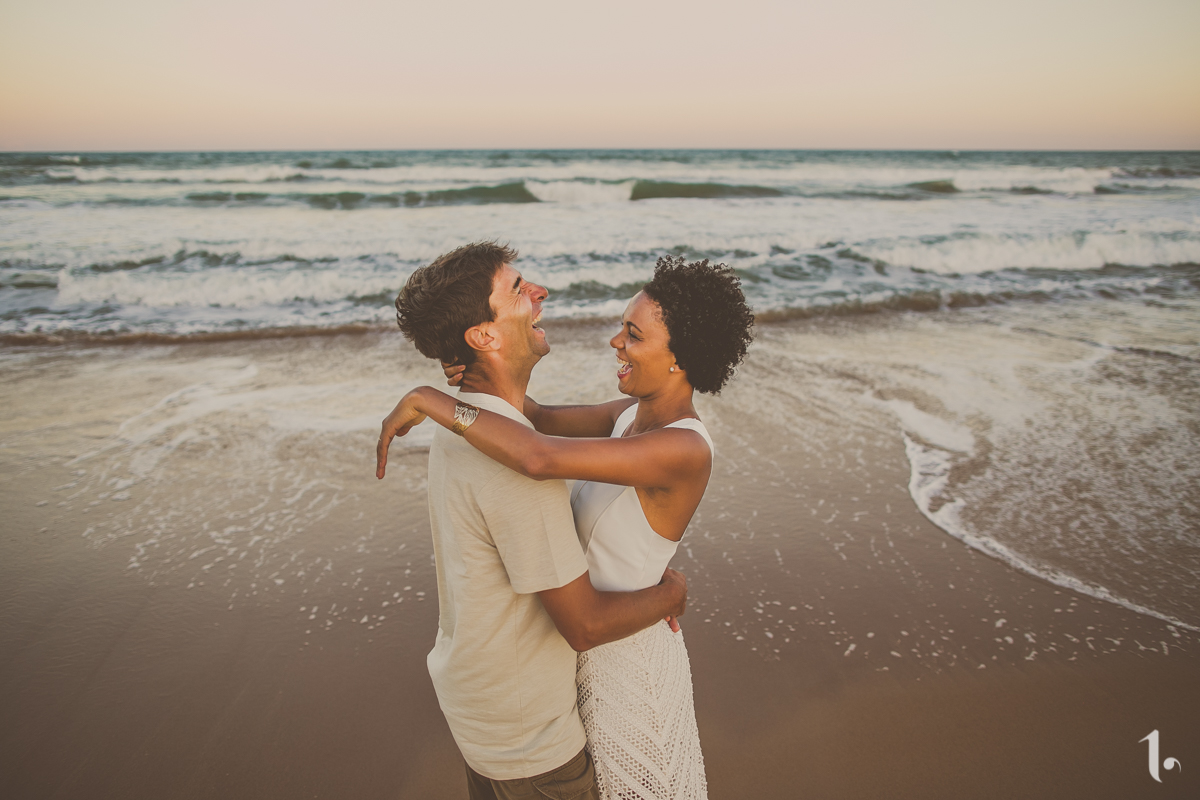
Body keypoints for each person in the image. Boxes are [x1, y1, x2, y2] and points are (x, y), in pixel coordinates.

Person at [378, 248, 755, 800]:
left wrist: (431, 400)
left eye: (633, 334)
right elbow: (535, 419)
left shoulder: (683, 449)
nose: (615, 342)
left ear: (681, 357)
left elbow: (539, 456)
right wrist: (477, 373)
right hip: (577, 664)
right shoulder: (625, 416)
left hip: (625, 663)